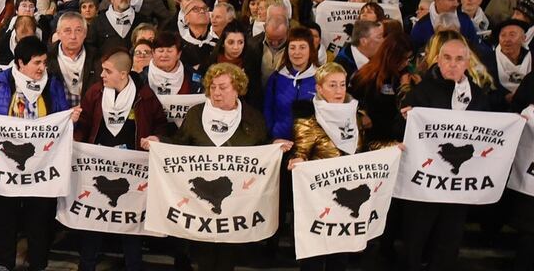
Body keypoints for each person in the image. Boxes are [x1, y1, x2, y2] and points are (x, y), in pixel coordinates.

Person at [143, 63, 292, 271]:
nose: (216, 92)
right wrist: (159, 141)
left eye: (223, 87)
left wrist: (274, 147)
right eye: (212, 87)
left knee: (227, 258)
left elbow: (260, 151)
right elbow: (180, 144)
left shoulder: (252, 117)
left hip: (236, 206)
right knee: (204, 257)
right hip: (199, 206)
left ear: (237, 88)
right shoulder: (196, 114)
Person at [0, 36, 80, 271]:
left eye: (44, 62)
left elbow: (62, 113)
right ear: (20, 63)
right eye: (37, 63)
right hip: (6, 165)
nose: (42, 68)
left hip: (43, 165)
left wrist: (70, 118)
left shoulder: (53, 83)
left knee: (39, 219)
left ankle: (38, 263)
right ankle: (4, 264)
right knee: (6, 218)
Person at [399, 32, 490, 271]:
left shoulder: (478, 96)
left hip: (458, 184)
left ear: (467, 62)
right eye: (447, 58)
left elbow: (491, 133)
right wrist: (405, 120)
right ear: (437, 61)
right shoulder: (421, 92)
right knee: (417, 235)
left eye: (459, 59)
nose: (452, 64)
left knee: (450, 237)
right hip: (426, 182)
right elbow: (402, 132)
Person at [73, 49, 167, 271]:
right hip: (98, 167)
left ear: (123, 74)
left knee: (130, 222)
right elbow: (85, 124)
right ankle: (87, 265)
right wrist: (75, 138)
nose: (102, 75)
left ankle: (133, 265)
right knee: (91, 221)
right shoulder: (95, 92)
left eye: (108, 71)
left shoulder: (145, 96)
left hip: (132, 171)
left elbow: (161, 123)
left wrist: (157, 137)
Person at [287, 62, 366, 271]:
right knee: (314, 255)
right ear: (320, 89)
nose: (339, 90)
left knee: (340, 256)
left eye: (342, 84)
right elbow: (301, 152)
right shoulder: (308, 121)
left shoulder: (355, 116)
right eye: (332, 85)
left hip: (346, 194)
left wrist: (392, 147)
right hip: (318, 198)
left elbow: (364, 149)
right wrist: (299, 160)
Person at [264, 27, 319, 140]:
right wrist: (272, 135)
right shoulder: (276, 78)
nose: (297, 52)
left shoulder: (321, 78)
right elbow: (267, 110)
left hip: (310, 146)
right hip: (279, 143)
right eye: (292, 48)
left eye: (302, 47)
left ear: (311, 50)